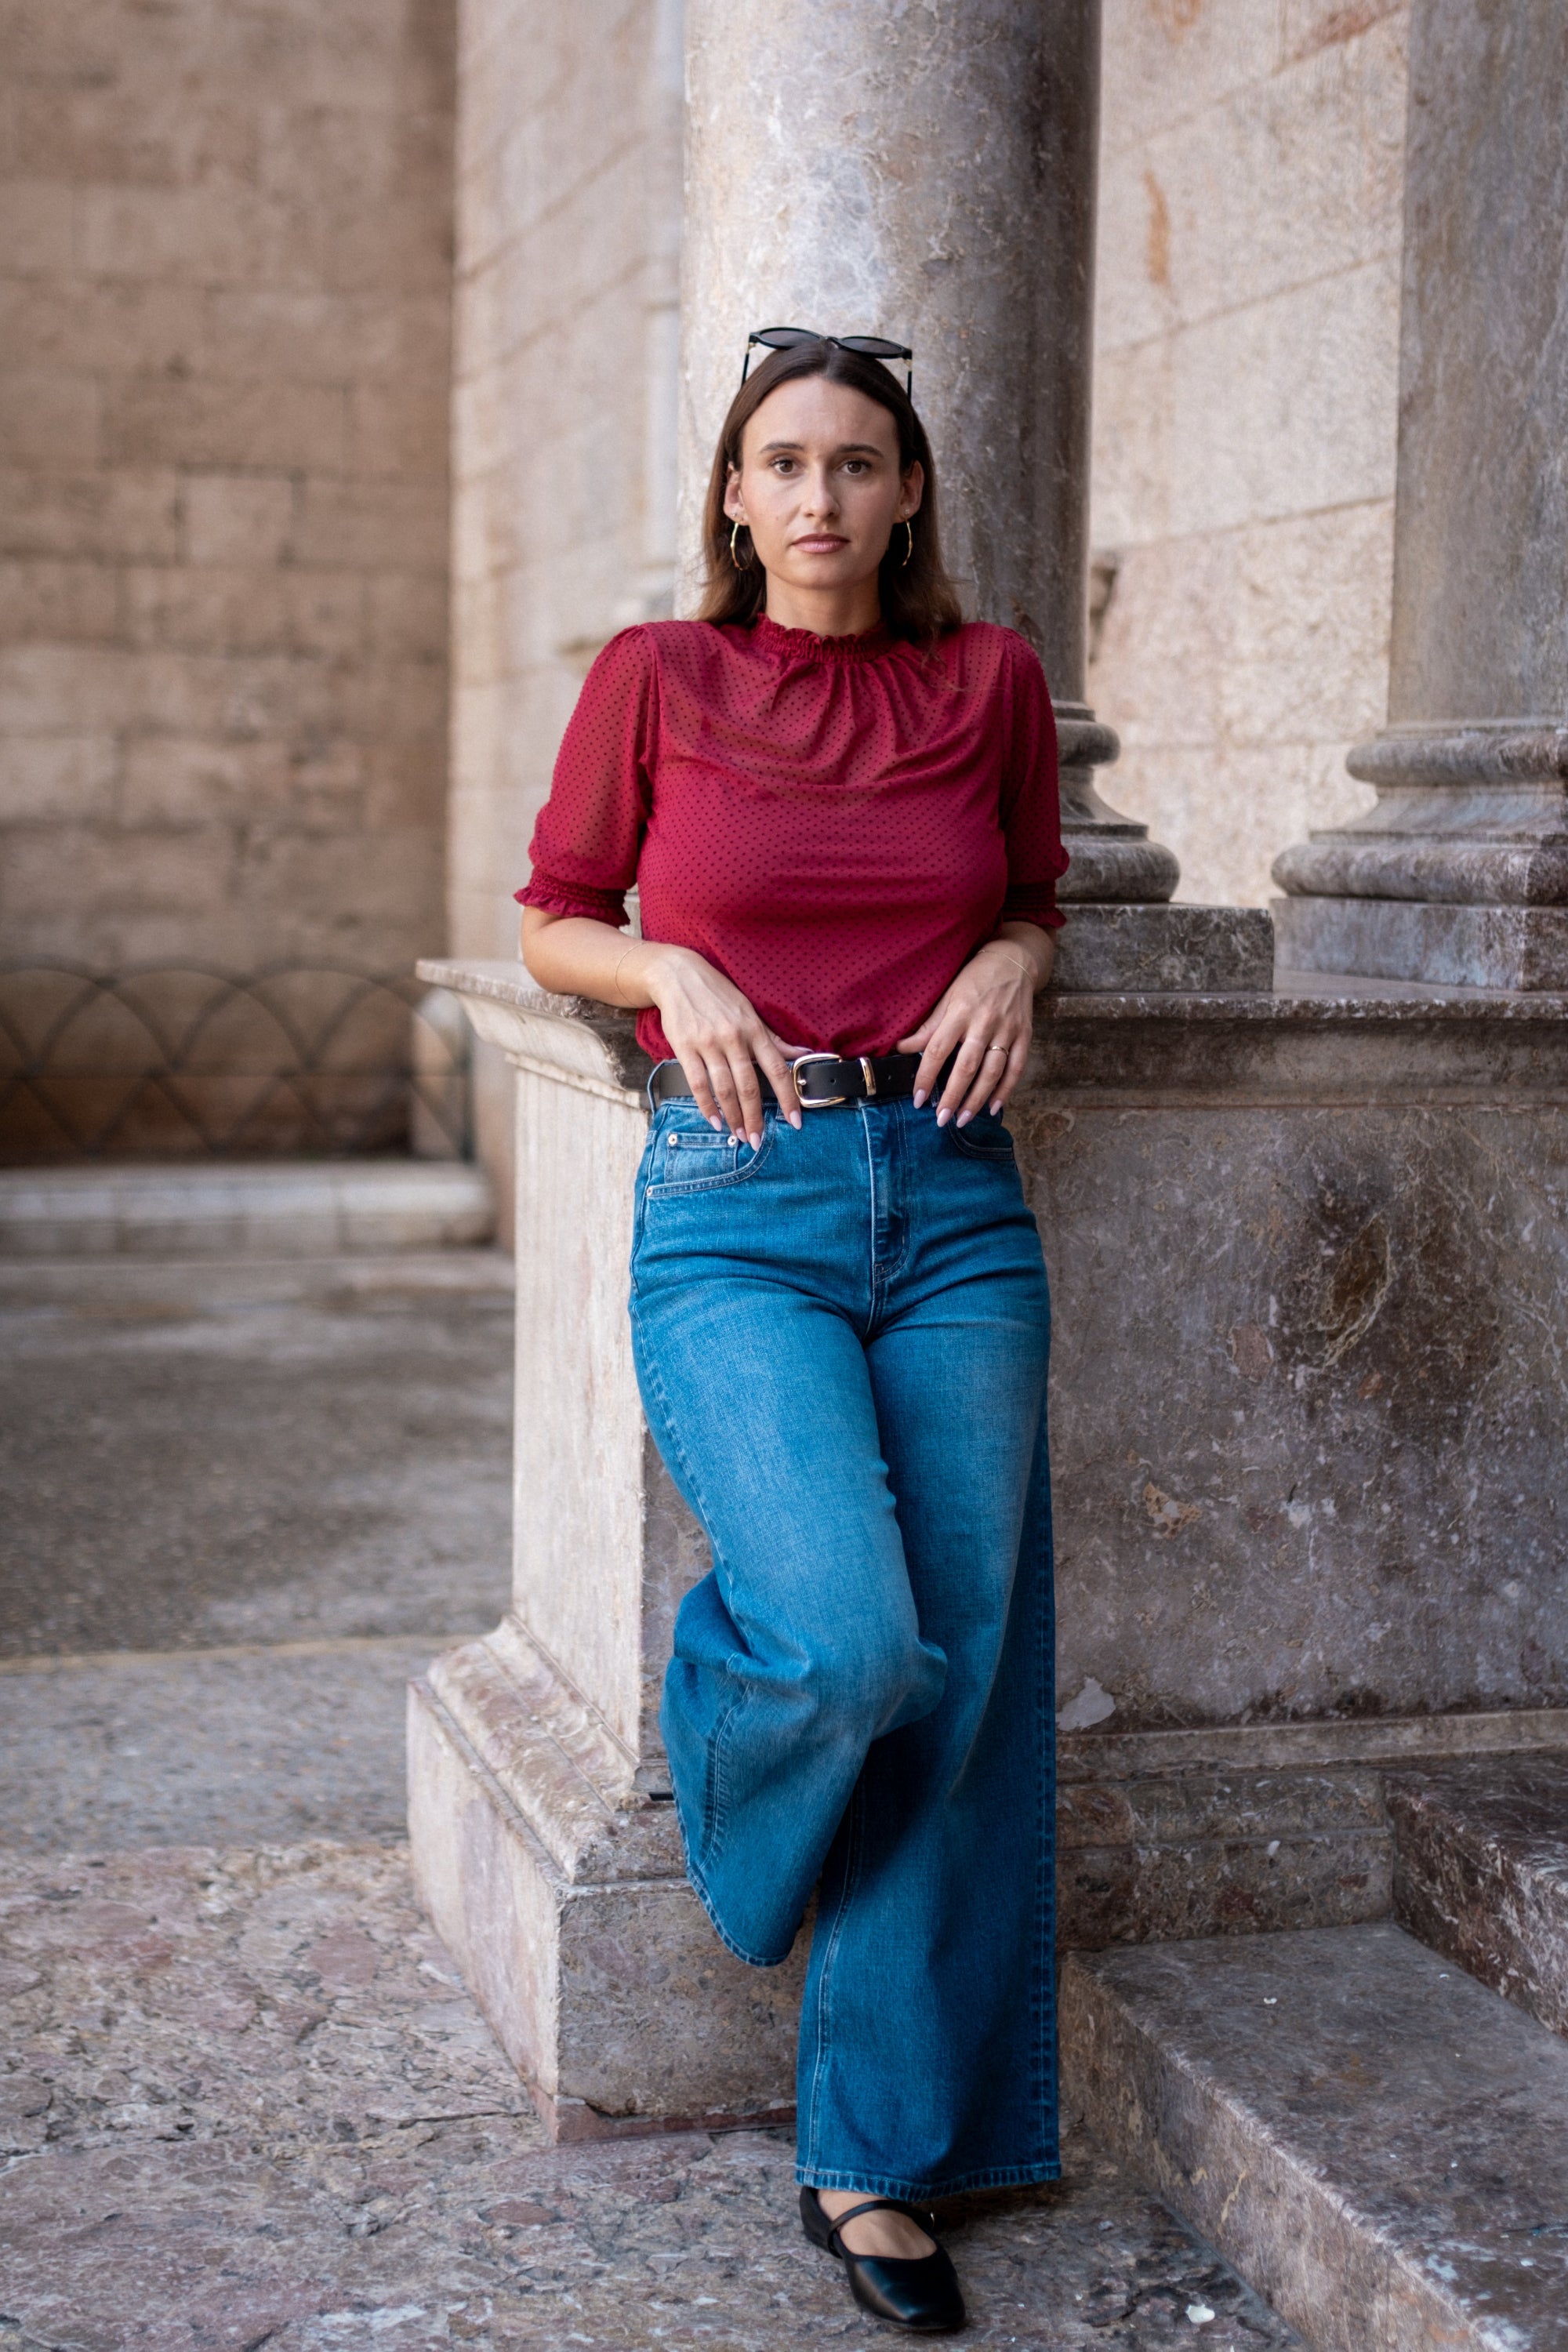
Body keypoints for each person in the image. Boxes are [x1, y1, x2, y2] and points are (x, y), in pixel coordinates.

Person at [519, 329, 1066, 2336]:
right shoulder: (655, 678)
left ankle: (875, 2157)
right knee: (851, 1639)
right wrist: (671, 963)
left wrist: (1012, 951)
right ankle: (724, 1742)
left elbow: (1029, 891)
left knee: (964, 1667)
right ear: (735, 499)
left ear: (907, 491)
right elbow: (550, 913)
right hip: (737, 1206)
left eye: (857, 462)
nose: (820, 496)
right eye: (783, 463)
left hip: (951, 1204)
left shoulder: (989, 678)